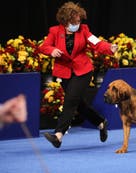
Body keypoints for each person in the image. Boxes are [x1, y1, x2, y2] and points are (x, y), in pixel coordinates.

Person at [39, 1, 118, 148]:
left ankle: (58, 135)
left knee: (70, 101)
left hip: (83, 71)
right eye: (74, 21)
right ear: (65, 20)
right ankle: (100, 122)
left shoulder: (84, 30)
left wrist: (110, 47)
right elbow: (44, 47)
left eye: (79, 20)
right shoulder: (55, 31)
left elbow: (97, 43)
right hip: (64, 72)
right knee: (79, 105)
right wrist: (52, 51)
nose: (78, 23)